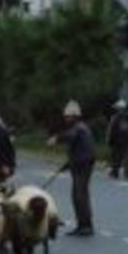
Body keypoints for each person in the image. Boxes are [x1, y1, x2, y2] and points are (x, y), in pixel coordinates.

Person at [49, 100, 96, 237]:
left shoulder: (79, 128)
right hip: (80, 164)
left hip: (83, 166)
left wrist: (56, 139)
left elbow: (71, 137)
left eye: (68, 116)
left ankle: (86, 226)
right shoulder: (79, 128)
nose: (66, 118)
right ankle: (82, 225)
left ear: (75, 116)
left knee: (80, 195)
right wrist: (68, 164)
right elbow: (77, 150)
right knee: (78, 195)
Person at [106, 99, 128, 179]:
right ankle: (127, 173)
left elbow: (111, 129)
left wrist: (109, 139)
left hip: (117, 140)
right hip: (127, 139)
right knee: (127, 156)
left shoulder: (115, 117)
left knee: (116, 156)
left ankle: (115, 172)